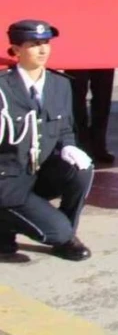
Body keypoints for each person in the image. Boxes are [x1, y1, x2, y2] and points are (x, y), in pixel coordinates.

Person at [0, 20, 94, 261]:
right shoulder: (3, 86)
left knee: (81, 171)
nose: (43, 50)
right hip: (7, 179)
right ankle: (6, 225)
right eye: (34, 44)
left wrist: (69, 147)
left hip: (39, 172)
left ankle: (65, 237)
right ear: (16, 49)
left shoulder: (60, 84)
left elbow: (65, 129)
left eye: (46, 43)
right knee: (55, 229)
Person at [68, 0, 117, 164]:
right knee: (76, 98)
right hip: (77, 48)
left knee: (103, 98)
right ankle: (80, 144)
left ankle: (100, 144)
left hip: (104, 46)